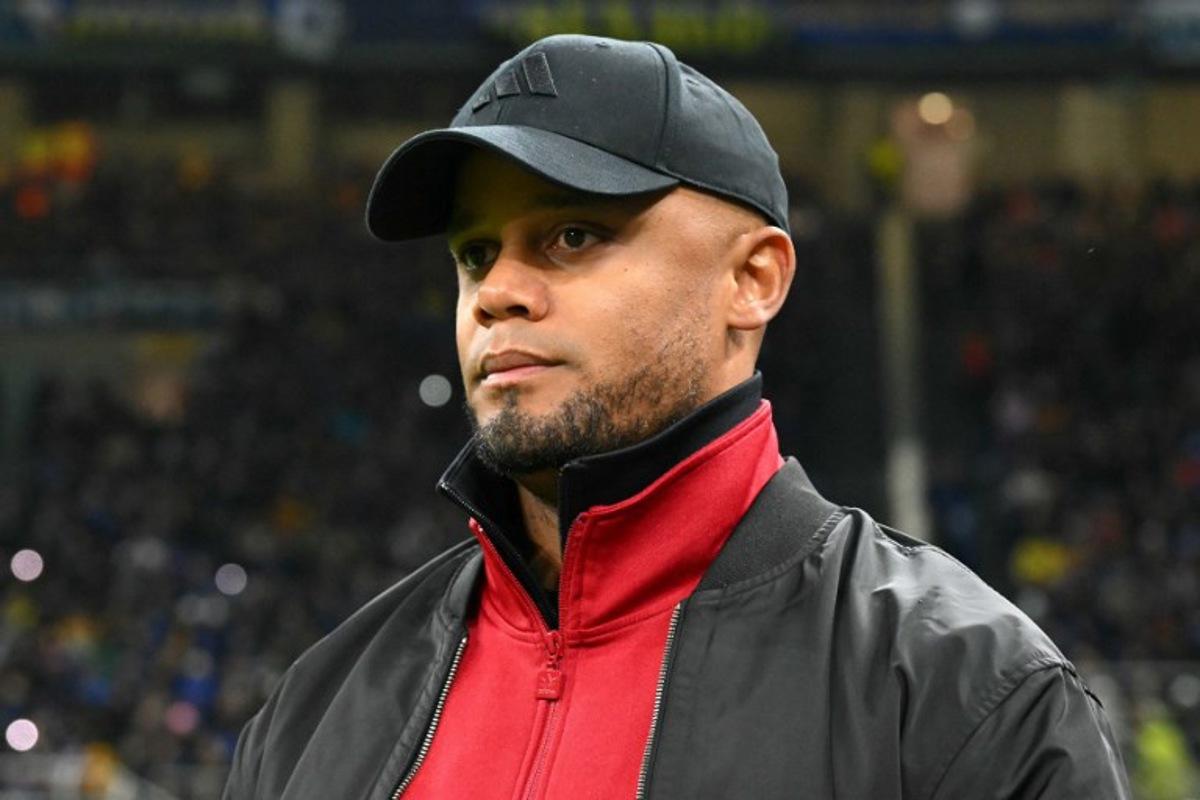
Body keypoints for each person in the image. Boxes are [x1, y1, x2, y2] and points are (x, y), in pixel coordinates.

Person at [223, 34, 1131, 799]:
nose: (496, 292)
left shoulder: (964, 694)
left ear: (753, 280)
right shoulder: (315, 712)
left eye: (571, 235)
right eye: (475, 252)